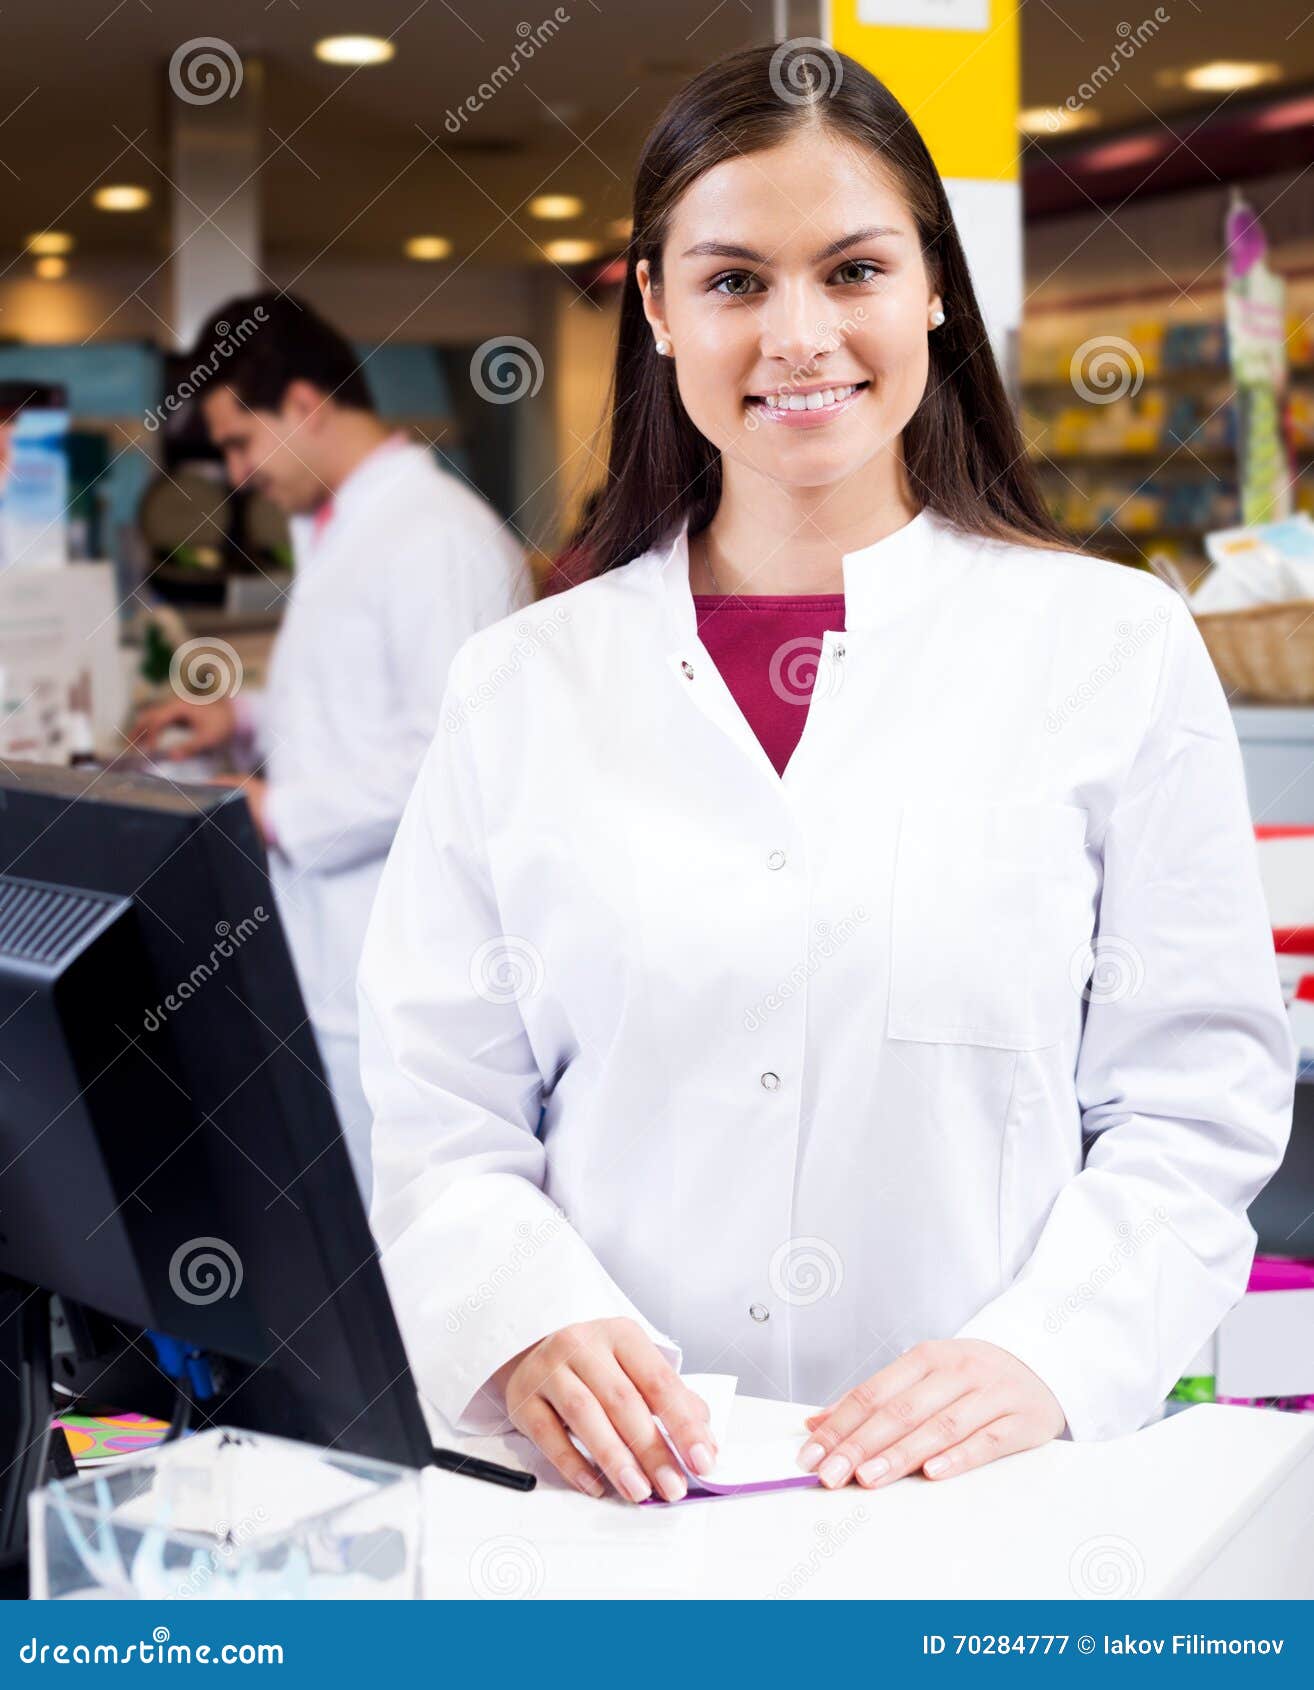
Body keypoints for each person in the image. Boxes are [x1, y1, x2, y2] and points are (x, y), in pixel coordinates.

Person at [357, 46, 1295, 1507]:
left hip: (984, 1500)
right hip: (626, 1503)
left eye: (853, 270)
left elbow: (1195, 1099)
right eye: (734, 281)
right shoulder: (523, 684)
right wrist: (522, 1314)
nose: (799, 336)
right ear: (657, 308)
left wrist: (1047, 1353)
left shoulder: (1111, 646)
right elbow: (438, 1105)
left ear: (932, 288)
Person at [135, 294, 526, 1199]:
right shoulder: (348, 526)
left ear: (305, 404)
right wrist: (244, 718)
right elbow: (360, 705)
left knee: (399, 1221)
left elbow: (452, 759)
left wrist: (270, 811)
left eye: (241, 442)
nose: (239, 475)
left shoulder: (435, 536)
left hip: (406, 962)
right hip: (338, 941)